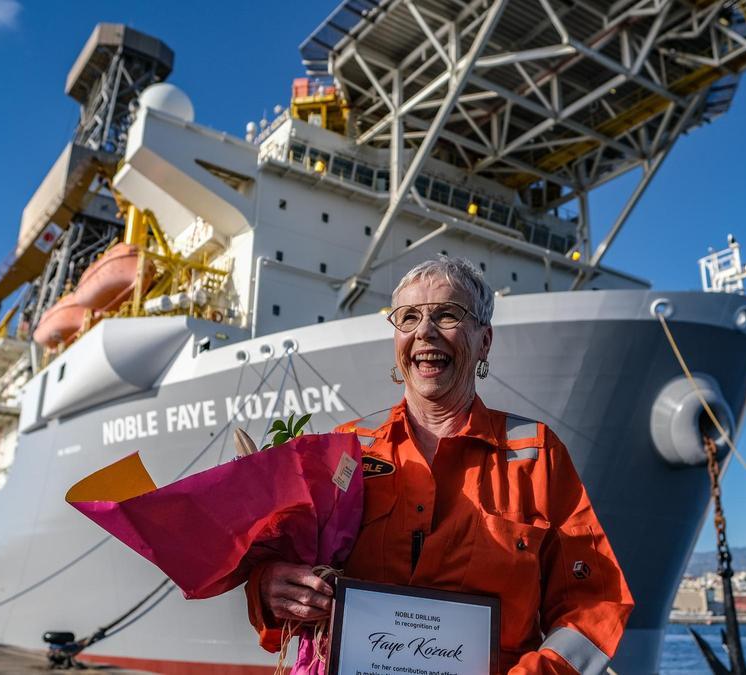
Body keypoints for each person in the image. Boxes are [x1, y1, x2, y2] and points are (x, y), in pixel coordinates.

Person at [245, 256, 633, 674]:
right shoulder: (346, 450)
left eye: (448, 314)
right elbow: (292, 581)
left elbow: (594, 602)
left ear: (484, 341)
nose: (425, 331)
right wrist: (269, 591)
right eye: (408, 317)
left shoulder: (536, 455)